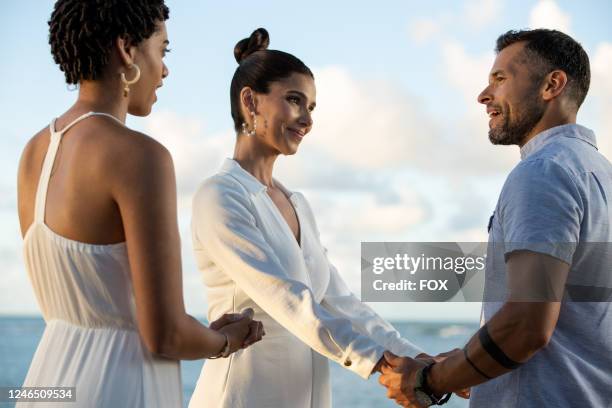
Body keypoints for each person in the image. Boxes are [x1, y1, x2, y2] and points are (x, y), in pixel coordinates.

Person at [17, 2, 262, 407]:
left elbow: (90, 304)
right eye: (162, 51)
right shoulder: (139, 156)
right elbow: (164, 334)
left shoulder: (33, 153)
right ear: (127, 50)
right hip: (118, 387)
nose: (165, 70)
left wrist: (198, 330)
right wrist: (223, 341)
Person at [188, 28, 425, 408]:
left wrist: (415, 358)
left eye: (311, 108)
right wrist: (383, 364)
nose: (306, 120)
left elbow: (340, 301)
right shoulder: (219, 195)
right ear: (250, 102)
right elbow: (290, 301)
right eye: (294, 101)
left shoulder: (296, 202)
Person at [379, 29, 612, 407]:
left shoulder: (543, 172)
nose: (483, 96)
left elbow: (526, 325)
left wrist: (428, 380)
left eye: (500, 79)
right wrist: (467, 364)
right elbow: (577, 323)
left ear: (552, 84)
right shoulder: (600, 173)